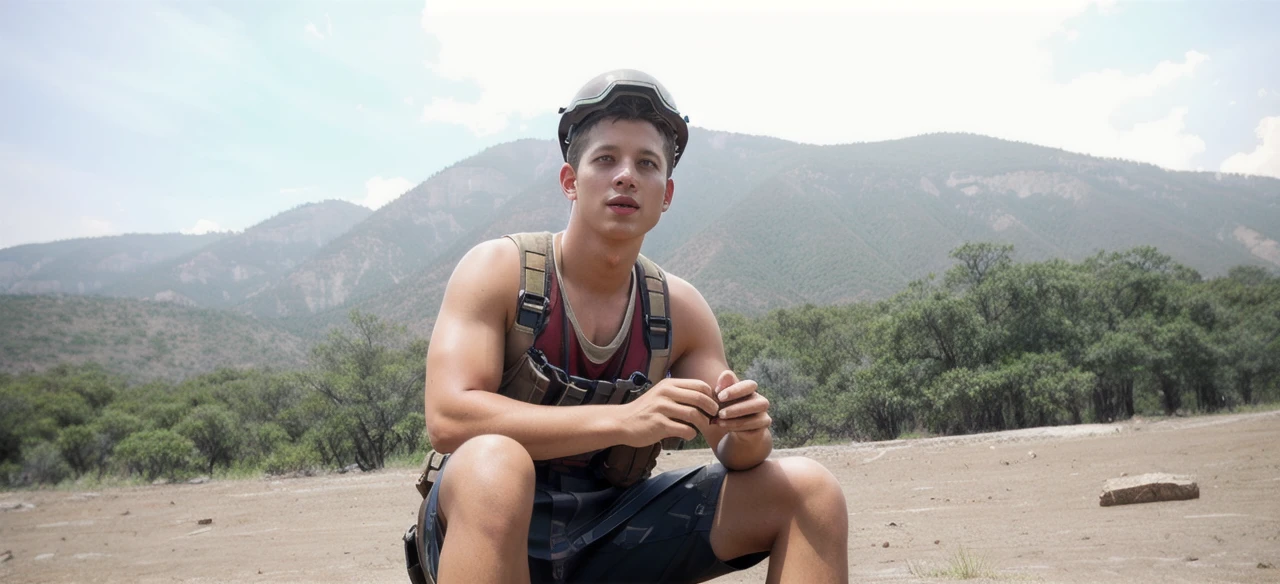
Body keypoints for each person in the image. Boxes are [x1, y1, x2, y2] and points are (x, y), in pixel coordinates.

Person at [407, 69, 849, 584]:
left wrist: (745, 431)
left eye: (646, 164)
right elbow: (450, 418)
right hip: (484, 531)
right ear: (570, 182)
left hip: (616, 537)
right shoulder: (500, 271)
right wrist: (625, 420)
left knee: (810, 491)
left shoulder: (678, 308)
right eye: (605, 159)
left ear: (667, 194)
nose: (626, 176)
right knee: (494, 463)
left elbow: (733, 449)